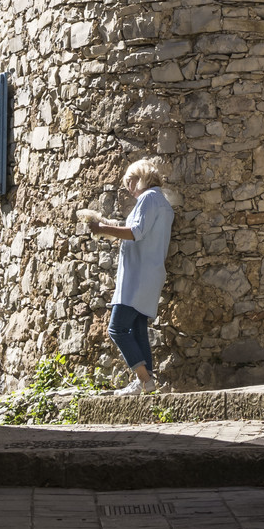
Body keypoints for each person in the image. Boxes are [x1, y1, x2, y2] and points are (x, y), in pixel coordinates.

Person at [81, 156, 175, 391]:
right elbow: (140, 232)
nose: (128, 189)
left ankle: (145, 379)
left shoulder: (148, 198)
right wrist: (109, 227)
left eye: (130, 183)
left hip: (138, 275)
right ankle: (147, 382)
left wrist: (102, 228)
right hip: (150, 272)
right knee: (137, 327)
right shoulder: (161, 202)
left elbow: (136, 232)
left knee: (117, 328)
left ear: (139, 178)